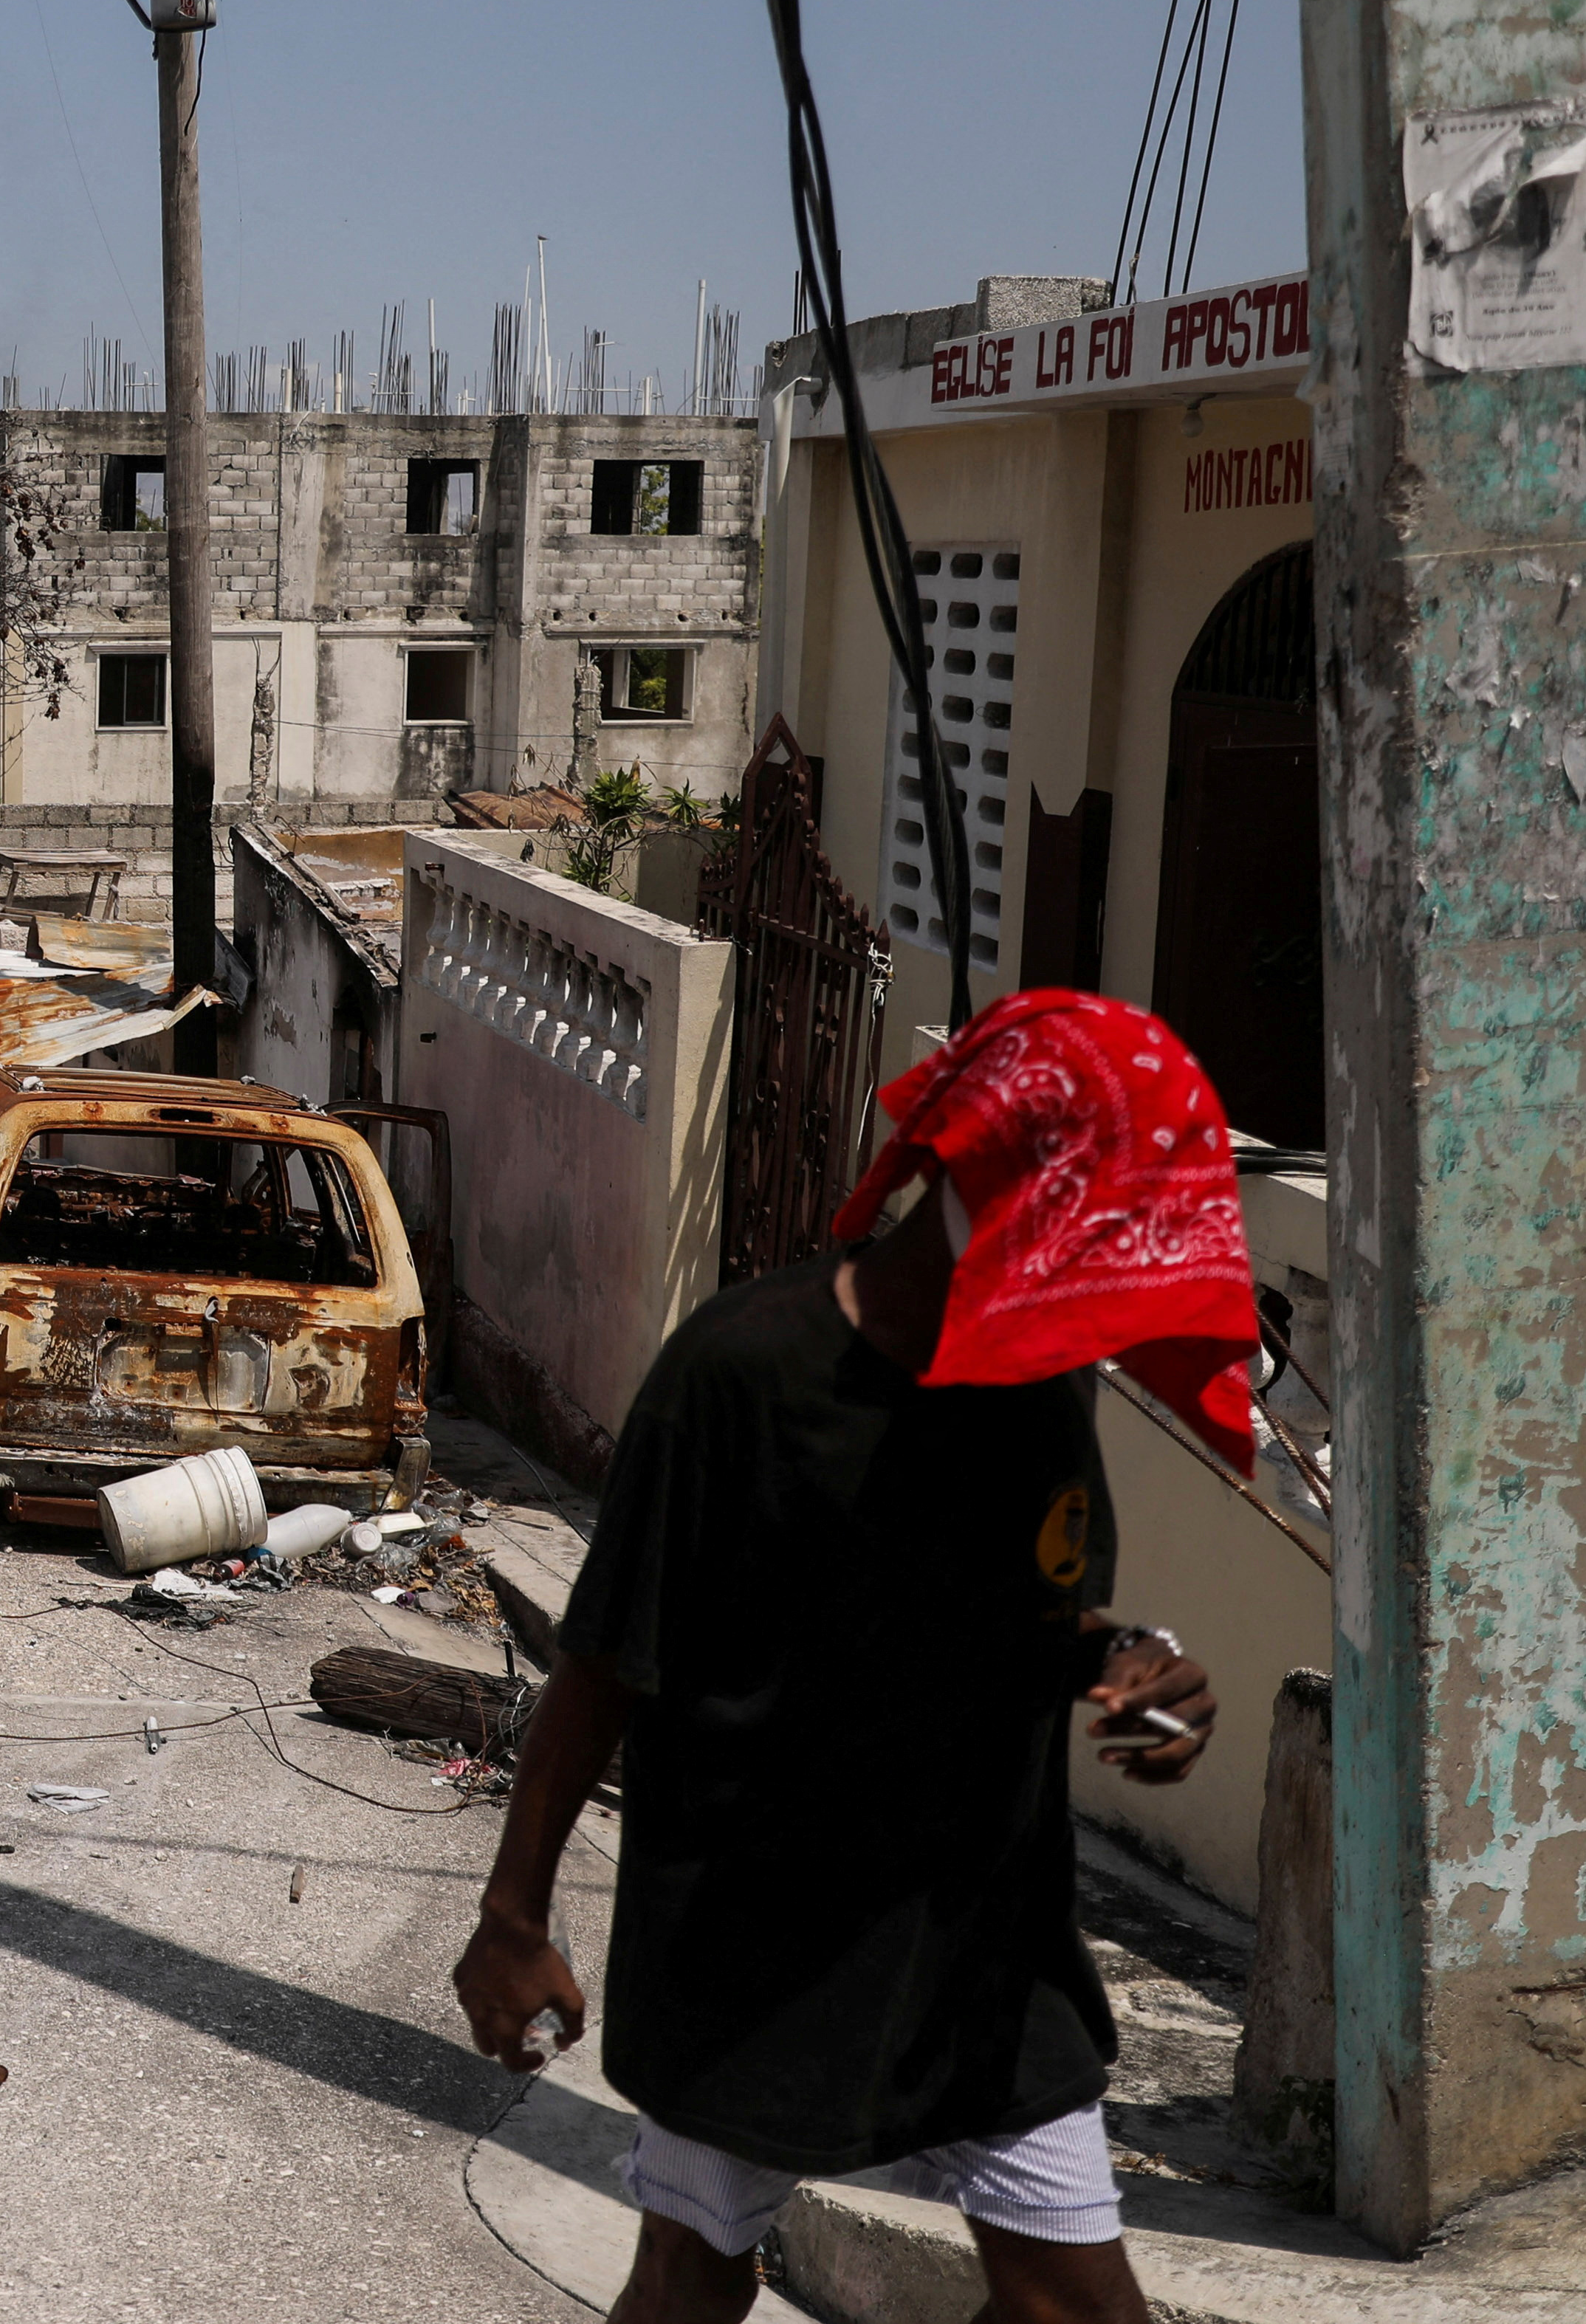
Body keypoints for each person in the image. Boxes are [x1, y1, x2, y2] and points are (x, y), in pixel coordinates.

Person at [451, 990, 1258, 2324]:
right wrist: (514, 1918)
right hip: (754, 1942)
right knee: (693, 2276)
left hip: (984, 1948)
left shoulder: (1041, 1384)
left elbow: (1045, 1615)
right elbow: (604, 1664)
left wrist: (1134, 1663)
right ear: (969, 1181)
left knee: (1082, 2313)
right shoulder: (738, 1378)